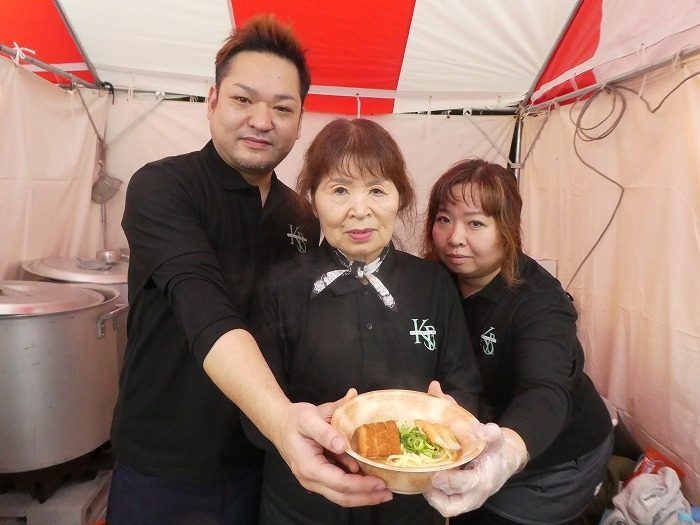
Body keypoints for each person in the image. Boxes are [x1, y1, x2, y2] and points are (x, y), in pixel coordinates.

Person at [107, 16, 391, 524]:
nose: (263, 120)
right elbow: (203, 305)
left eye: (282, 108)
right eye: (243, 100)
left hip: (264, 460)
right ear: (212, 100)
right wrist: (283, 421)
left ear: (300, 120)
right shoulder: (165, 187)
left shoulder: (301, 215)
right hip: (166, 463)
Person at [246, 118, 482, 524]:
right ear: (313, 198)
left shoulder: (432, 284)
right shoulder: (280, 287)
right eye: (339, 190)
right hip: (304, 504)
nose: (360, 210)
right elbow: (253, 414)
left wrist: (452, 417)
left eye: (376, 189)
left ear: (400, 197)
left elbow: (464, 384)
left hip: (407, 507)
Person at [421, 159, 614, 525]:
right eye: (444, 219)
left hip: (554, 458)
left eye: (476, 223)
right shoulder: (435, 278)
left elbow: (544, 389)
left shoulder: (538, 302)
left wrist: (506, 453)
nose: (455, 237)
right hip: (479, 437)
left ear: (507, 228)